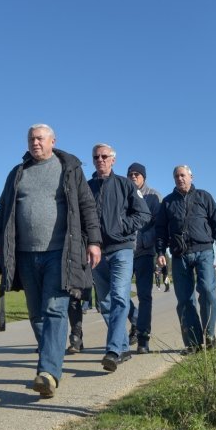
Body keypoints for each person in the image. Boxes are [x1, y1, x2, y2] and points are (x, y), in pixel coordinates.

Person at [0, 123, 102, 398]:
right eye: (31, 139)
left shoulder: (69, 168)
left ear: (53, 141)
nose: (35, 143)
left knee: (54, 309)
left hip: (60, 253)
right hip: (25, 254)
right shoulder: (17, 173)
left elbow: (86, 205)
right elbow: (3, 208)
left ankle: (48, 373)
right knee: (37, 315)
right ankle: (52, 357)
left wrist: (95, 242)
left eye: (40, 138)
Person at [88, 144, 150, 372]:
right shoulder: (87, 188)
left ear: (113, 160)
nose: (100, 160)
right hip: (96, 252)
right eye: (96, 157)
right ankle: (123, 347)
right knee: (104, 303)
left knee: (120, 297)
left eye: (105, 156)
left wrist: (124, 226)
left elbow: (144, 214)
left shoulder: (125, 184)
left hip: (122, 249)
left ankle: (113, 350)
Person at [156, 165, 216, 353]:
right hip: (180, 255)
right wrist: (161, 252)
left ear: (191, 177)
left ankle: (210, 334)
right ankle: (193, 343)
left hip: (204, 251)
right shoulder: (168, 202)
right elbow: (161, 230)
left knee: (207, 290)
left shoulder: (204, 197)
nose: (180, 178)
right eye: (176, 176)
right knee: (185, 300)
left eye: (183, 175)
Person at [126, 162, 162, 354]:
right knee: (120, 293)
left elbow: (160, 225)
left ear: (144, 177)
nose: (133, 176)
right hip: (124, 251)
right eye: (130, 174)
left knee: (144, 295)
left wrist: (151, 244)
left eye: (137, 174)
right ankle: (135, 319)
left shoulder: (154, 196)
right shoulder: (122, 193)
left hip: (145, 252)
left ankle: (143, 337)